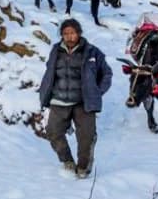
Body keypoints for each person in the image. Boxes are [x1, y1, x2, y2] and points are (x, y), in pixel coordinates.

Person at [39, 19, 112, 179]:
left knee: (86, 137)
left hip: (83, 102)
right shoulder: (55, 51)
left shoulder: (93, 52)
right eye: (65, 34)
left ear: (78, 33)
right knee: (53, 132)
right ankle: (67, 160)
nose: (69, 37)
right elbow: (49, 72)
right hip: (58, 100)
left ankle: (83, 167)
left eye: (72, 33)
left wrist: (97, 92)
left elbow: (106, 73)